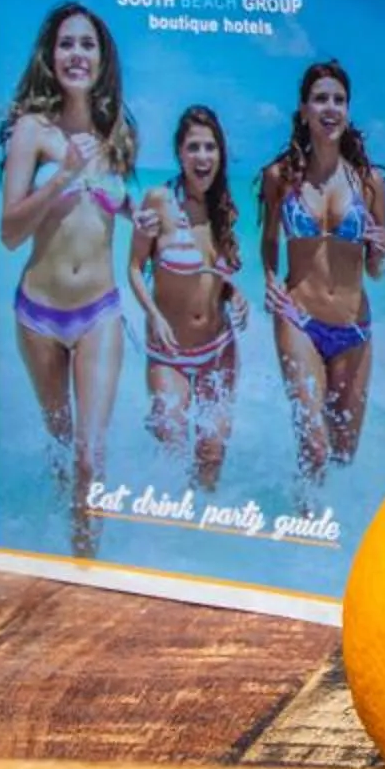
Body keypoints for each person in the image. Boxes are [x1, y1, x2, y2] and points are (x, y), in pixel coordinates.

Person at [0, 1, 135, 557]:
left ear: (103, 58)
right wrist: (63, 179)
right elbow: (8, 232)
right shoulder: (32, 131)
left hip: (100, 309)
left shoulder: (118, 134)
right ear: (51, 56)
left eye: (88, 44)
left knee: (88, 453)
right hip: (38, 312)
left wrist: (143, 219)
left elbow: (111, 213)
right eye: (67, 44)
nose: (77, 54)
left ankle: (89, 559)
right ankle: (58, 546)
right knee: (59, 445)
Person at [259, 59, 385, 491]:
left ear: (348, 110)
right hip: (298, 318)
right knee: (314, 446)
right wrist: (268, 281)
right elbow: (268, 240)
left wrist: (381, 252)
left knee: (342, 455)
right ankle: (302, 545)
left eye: (339, 99)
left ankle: (328, 539)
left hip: (354, 328)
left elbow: (375, 270)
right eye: (320, 99)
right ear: (303, 110)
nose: (330, 107)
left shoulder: (369, 183)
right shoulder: (279, 177)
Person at [125, 105, 245, 493]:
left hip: (219, 349)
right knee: (172, 448)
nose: (203, 157)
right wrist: (154, 315)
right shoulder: (159, 200)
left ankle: (201, 540)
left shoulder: (222, 206)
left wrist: (236, 294)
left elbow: (213, 276)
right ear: (179, 152)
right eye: (194, 147)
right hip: (169, 353)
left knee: (211, 456)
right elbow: (133, 267)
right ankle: (162, 541)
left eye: (211, 147)